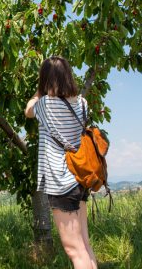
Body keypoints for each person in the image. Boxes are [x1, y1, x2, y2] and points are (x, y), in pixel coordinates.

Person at [24, 56, 97, 269]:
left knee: (74, 249)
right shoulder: (82, 103)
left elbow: (28, 111)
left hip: (61, 181)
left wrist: (39, 91)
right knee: (84, 244)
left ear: (45, 79)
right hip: (80, 177)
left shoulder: (44, 104)